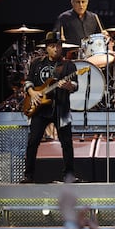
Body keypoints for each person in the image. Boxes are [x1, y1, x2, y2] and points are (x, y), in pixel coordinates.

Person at [20, 31, 79, 183]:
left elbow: (75, 86)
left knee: (67, 143)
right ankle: (29, 175)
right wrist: (32, 93)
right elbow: (28, 82)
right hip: (40, 109)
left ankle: (69, 175)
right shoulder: (37, 63)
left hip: (62, 108)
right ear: (47, 47)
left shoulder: (68, 65)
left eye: (58, 46)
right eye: (53, 46)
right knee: (33, 142)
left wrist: (68, 86)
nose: (56, 49)